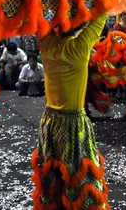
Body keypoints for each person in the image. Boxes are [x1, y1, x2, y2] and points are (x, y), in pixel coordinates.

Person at [32, 12, 109, 209]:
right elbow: (101, 15)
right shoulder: (80, 47)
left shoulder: (47, 44)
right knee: (79, 179)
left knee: (52, 177)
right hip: (74, 125)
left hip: (49, 123)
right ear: (77, 26)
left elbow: (37, 18)